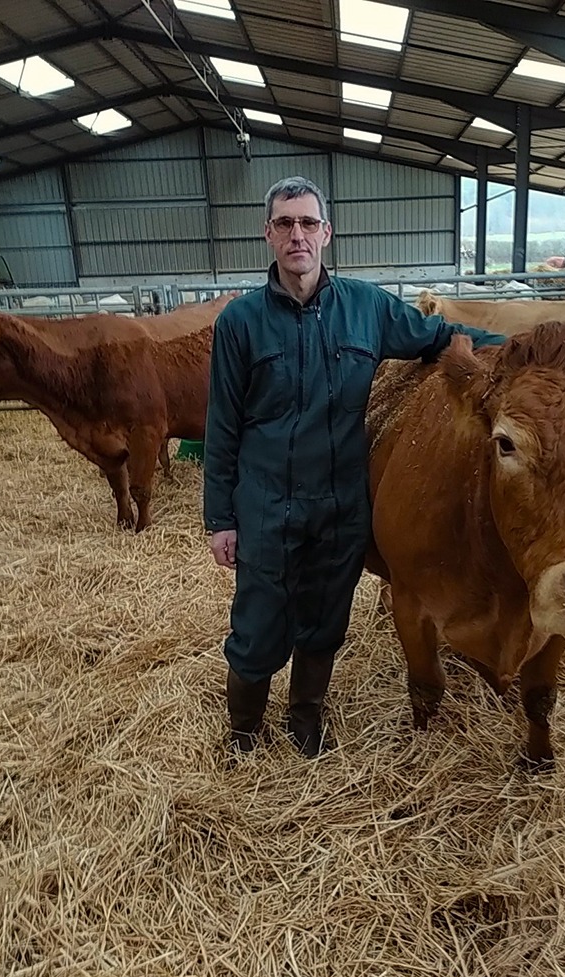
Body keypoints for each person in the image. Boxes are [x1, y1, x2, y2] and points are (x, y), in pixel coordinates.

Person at [203, 175, 505, 759]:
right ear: (268, 234)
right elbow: (223, 427)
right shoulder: (240, 323)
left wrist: (522, 350)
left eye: (308, 223)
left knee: (324, 620)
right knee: (259, 626)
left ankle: (306, 719)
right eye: (286, 223)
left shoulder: (367, 308)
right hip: (266, 503)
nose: (298, 235)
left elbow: (442, 338)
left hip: (341, 504)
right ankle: (243, 730)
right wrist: (221, 517)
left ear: (327, 233)